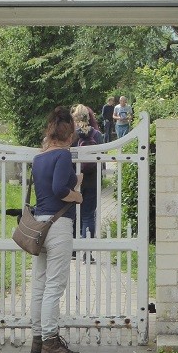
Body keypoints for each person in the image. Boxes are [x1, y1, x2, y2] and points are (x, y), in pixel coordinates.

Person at [28, 106, 83, 353]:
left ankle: (38, 339)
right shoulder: (62, 155)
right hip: (58, 226)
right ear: (69, 135)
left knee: (40, 283)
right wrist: (78, 195)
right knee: (54, 285)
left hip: (40, 224)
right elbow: (59, 189)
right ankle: (51, 343)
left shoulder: (39, 158)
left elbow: (47, 189)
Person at [71, 104, 104, 261]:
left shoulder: (72, 136)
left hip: (75, 181)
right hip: (92, 180)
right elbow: (102, 159)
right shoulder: (97, 135)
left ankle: (72, 250)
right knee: (88, 215)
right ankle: (87, 253)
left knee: (73, 214)